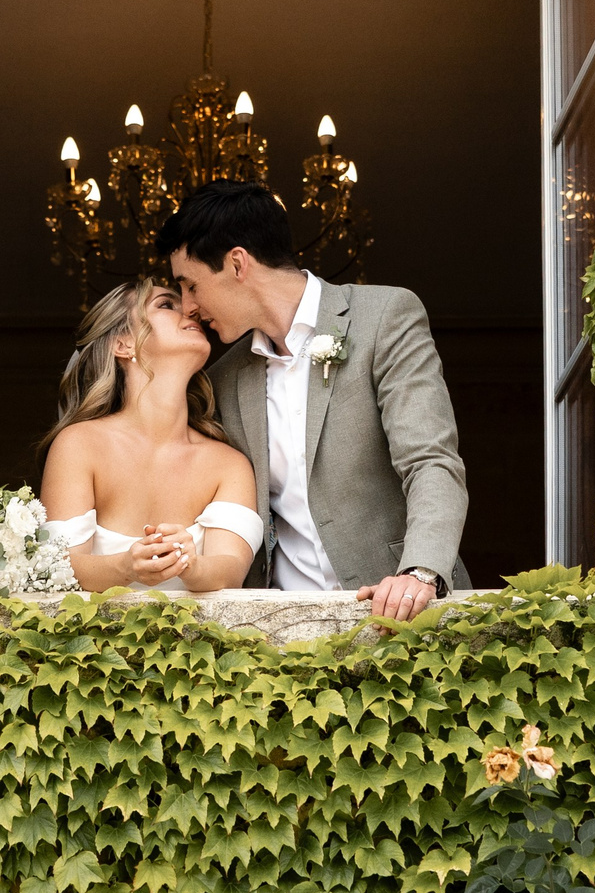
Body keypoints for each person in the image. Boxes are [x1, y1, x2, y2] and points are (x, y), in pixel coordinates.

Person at [162, 181, 468, 618]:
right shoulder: (222, 378)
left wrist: (419, 573)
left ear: (236, 263)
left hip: (402, 616)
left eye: (190, 285)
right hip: (277, 630)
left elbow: (431, 461)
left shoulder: (384, 317)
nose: (188, 306)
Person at [38, 277, 265, 592]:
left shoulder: (229, 464)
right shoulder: (78, 445)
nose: (190, 311)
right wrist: (127, 566)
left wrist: (191, 564)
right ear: (123, 343)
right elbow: (56, 567)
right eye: (166, 305)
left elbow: (231, 570)